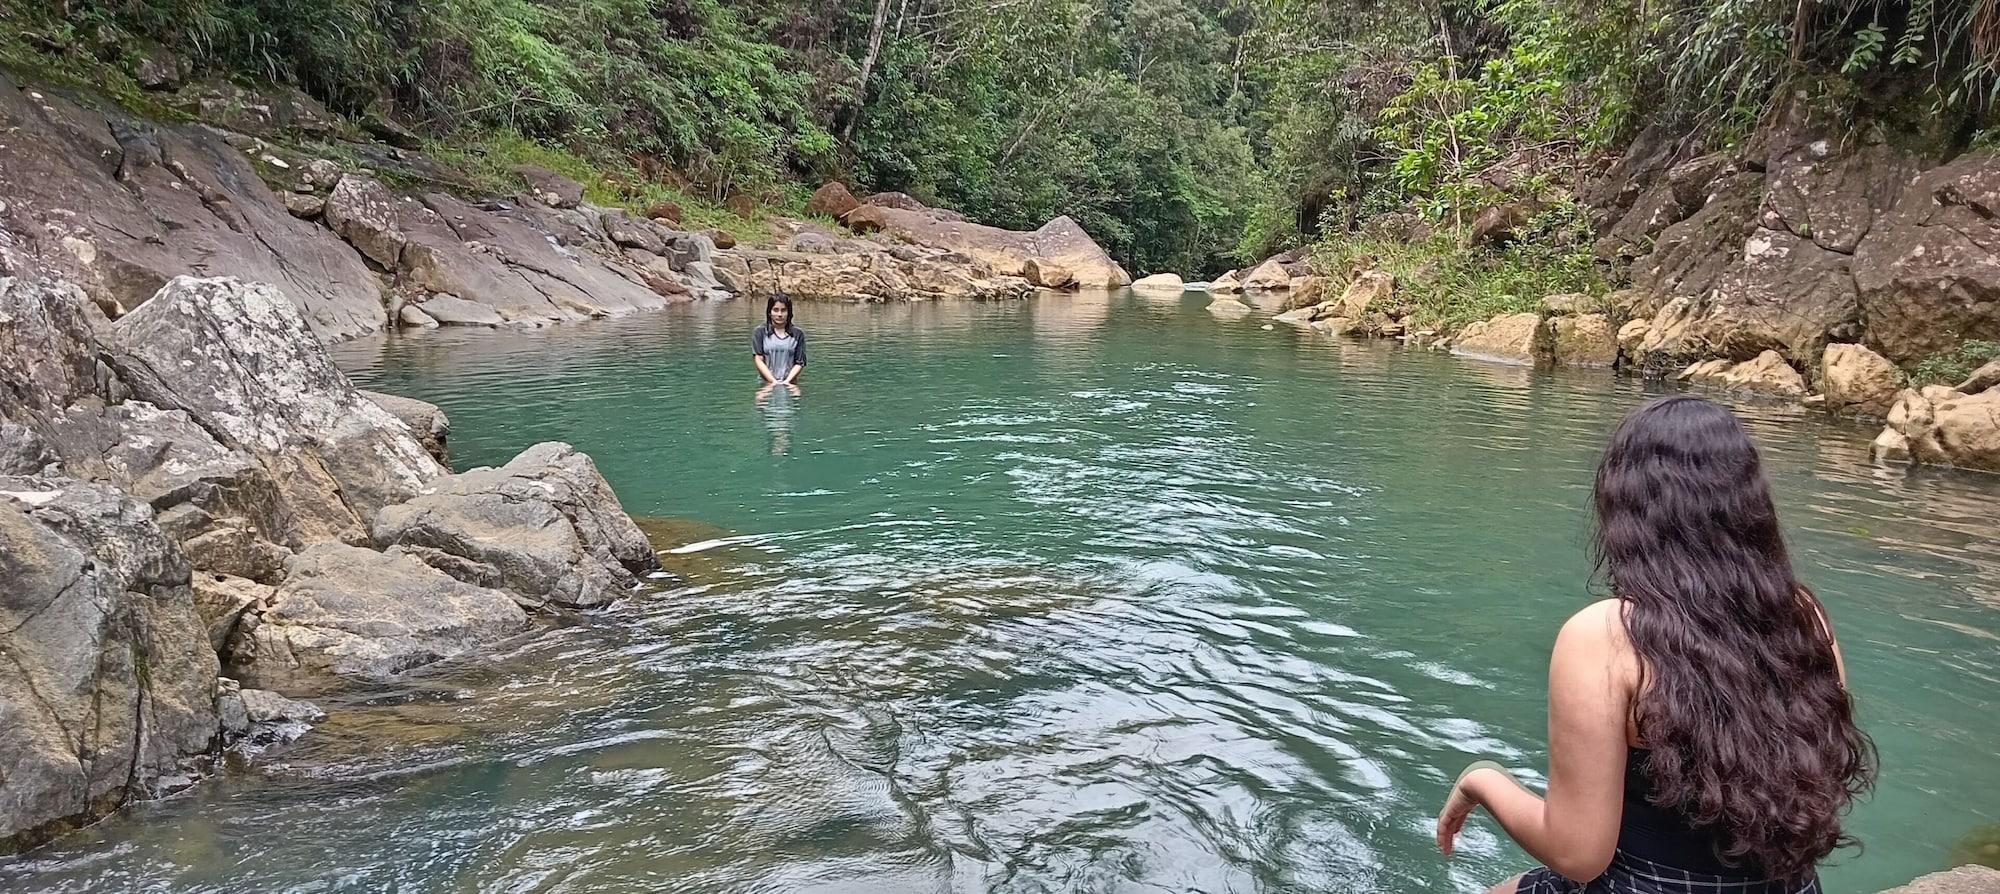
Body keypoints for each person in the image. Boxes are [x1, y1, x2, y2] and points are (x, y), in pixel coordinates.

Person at [1436, 396, 1875, 894]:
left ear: (1625, 508)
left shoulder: (1606, 635)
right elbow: (1818, 784)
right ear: (1750, 504)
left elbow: (1578, 855)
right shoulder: (1803, 615)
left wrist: (1482, 780)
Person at [752, 294, 806, 389]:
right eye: (775, 310)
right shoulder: (760, 332)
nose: (779, 314)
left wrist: (787, 382)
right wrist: (773, 382)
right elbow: (758, 359)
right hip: (766, 384)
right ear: (770, 312)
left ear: (789, 312)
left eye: (783, 310)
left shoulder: (798, 334)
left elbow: (799, 362)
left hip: (790, 383)